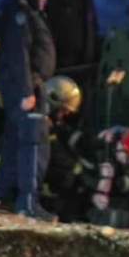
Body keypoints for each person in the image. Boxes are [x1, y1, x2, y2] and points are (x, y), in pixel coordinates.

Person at [0, 0, 56, 220]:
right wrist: (27, 90)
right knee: (33, 144)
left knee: (14, 140)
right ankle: (28, 203)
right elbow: (18, 52)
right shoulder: (21, 10)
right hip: (26, 88)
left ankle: (1, 194)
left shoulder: (26, 8)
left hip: (26, 85)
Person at [42, 75, 97, 221]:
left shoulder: (49, 118)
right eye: (64, 110)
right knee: (68, 177)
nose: (66, 114)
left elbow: (62, 133)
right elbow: (54, 150)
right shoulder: (40, 120)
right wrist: (75, 166)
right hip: (20, 168)